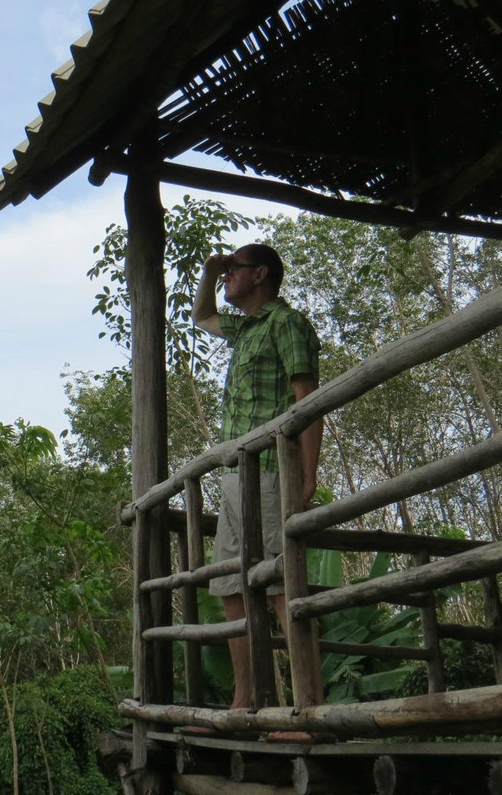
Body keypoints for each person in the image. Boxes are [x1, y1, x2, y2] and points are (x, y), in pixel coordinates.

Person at [191, 243, 323, 711]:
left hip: (270, 472)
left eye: (233, 270)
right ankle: (244, 700)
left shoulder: (287, 324)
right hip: (234, 478)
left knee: (280, 586)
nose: (227, 277)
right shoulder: (245, 329)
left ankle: (308, 705)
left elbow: (307, 400)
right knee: (231, 587)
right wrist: (210, 271)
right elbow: (201, 316)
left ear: (260, 274)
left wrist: (307, 479)